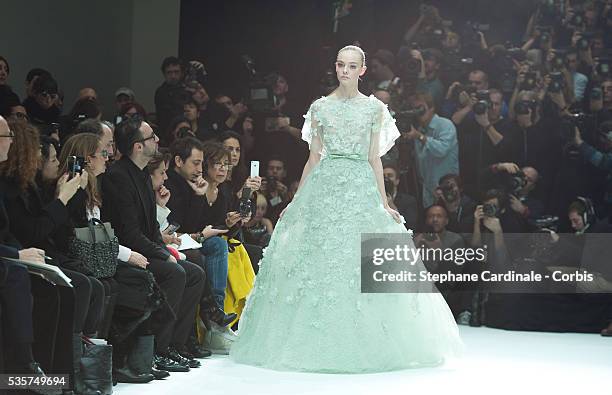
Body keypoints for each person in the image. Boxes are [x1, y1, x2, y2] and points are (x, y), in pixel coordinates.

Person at [230, 45, 461, 373]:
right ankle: (310, 340)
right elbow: (313, 157)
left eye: (352, 66)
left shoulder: (374, 109)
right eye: (341, 65)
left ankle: (368, 340)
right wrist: (298, 199)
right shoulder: (320, 108)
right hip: (325, 185)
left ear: (363, 70)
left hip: (359, 187)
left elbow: (374, 159)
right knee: (320, 257)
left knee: (359, 258)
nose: (345, 71)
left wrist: (384, 201)